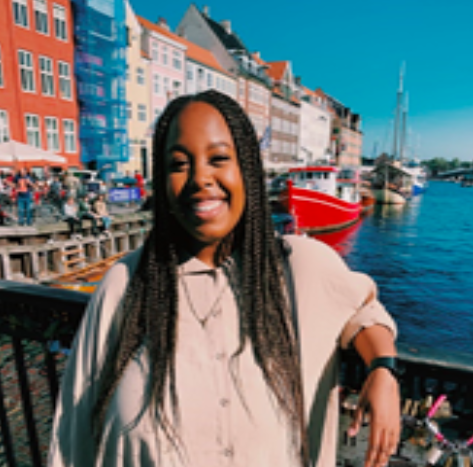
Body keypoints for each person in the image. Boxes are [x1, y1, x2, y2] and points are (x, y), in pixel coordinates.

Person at [49, 90, 400, 467]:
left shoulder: (299, 266)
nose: (201, 178)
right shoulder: (126, 284)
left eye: (219, 159)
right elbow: (74, 433)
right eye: (179, 164)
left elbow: (363, 310)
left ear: (246, 170)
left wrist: (383, 369)